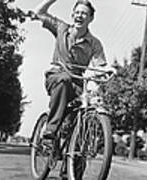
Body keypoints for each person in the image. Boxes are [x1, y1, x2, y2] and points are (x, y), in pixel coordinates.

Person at [34, 0, 107, 140]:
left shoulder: (94, 43)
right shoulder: (61, 28)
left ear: (91, 18)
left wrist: (108, 71)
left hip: (78, 83)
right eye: (77, 12)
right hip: (56, 76)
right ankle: (50, 130)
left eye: (84, 13)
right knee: (64, 80)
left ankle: (77, 154)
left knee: (85, 106)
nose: (80, 16)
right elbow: (39, 13)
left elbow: (100, 66)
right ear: (72, 15)